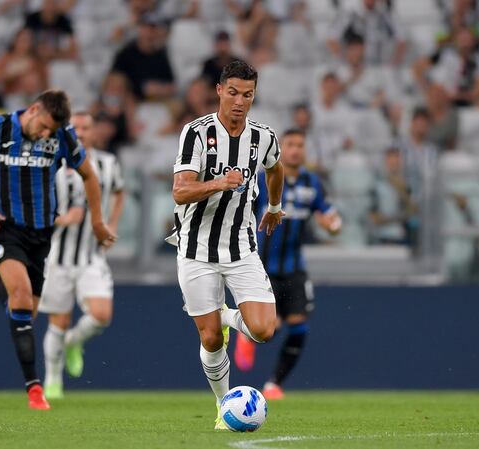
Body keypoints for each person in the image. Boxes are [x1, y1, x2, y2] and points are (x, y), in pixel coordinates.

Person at [0, 90, 117, 410]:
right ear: (33, 109)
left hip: (42, 236)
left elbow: (90, 175)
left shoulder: (63, 136)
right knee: (19, 299)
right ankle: (34, 389)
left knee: (25, 312)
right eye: (43, 126)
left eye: (51, 131)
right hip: (5, 228)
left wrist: (98, 222)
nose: (46, 134)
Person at [167, 60, 284, 429]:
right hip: (196, 249)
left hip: (241, 248)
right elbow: (180, 190)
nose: (239, 101)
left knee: (265, 330)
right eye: (232, 92)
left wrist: (275, 206)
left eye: (247, 95)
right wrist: (218, 183)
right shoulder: (196, 133)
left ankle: (229, 317)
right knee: (210, 338)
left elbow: (276, 168)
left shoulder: (263, 136)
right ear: (219, 90)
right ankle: (223, 405)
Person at [232, 129, 341, 400]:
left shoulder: (312, 183)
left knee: (300, 325)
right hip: (262, 267)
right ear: (280, 149)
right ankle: (245, 333)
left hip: (294, 268)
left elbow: (330, 217)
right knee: (269, 328)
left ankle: (273, 384)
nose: (296, 150)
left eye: (300, 145)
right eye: (290, 144)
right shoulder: (261, 179)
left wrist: (332, 226)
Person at [40, 112, 125, 399]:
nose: (81, 132)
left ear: (93, 131)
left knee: (102, 315)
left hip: (91, 255)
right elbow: (33, 210)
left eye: (86, 127)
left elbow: (120, 191)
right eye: (75, 128)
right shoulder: (50, 163)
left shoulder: (107, 164)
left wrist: (112, 223)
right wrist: (62, 219)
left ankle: (74, 342)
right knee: (58, 322)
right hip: (57, 258)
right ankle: (52, 381)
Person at [110, 14, 175, 101]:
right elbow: (114, 79)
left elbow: (172, 85)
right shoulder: (127, 53)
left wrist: (160, 89)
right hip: (129, 101)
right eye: (145, 28)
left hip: (156, 101)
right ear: (140, 29)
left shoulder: (161, 55)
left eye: (152, 29)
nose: (149, 33)